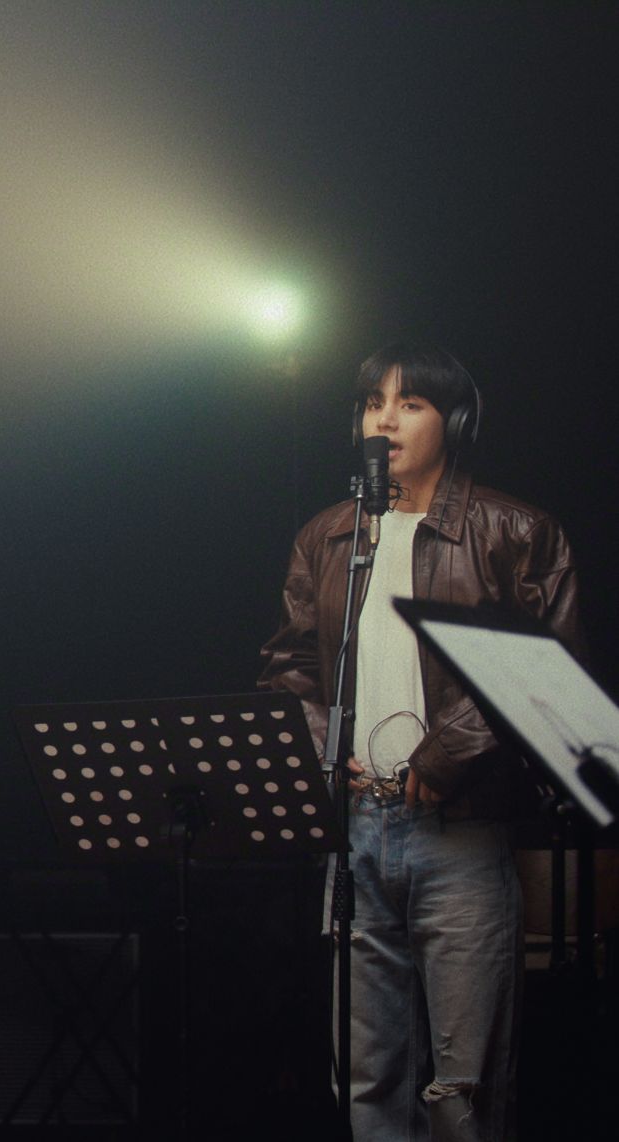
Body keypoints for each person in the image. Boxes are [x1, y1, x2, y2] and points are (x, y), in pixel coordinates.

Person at [259, 343, 582, 1140]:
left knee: (463, 1085)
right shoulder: (328, 536)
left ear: (455, 420)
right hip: (355, 829)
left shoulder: (515, 531)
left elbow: (549, 669)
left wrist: (443, 760)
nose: (386, 418)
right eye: (375, 402)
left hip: (462, 833)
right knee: (367, 1078)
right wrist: (324, 758)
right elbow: (291, 666)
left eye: (411, 403)